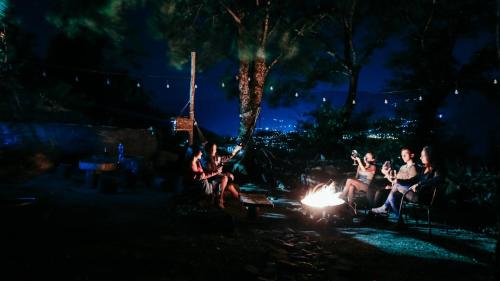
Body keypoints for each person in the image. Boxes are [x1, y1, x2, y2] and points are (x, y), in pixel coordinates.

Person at [371, 147, 420, 217]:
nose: (403, 157)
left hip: (407, 192)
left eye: (405, 155)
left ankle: (386, 210)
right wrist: (386, 174)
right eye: (402, 155)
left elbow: (411, 182)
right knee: (381, 192)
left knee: (389, 195)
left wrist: (395, 183)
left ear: (412, 155)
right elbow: (395, 181)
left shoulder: (414, 167)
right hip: (397, 188)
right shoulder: (402, 167)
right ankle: (380, 214)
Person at [203, 143, 241, 209]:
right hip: (211, 180)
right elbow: (212, 173)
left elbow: (229, 156)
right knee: (225, 178)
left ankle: (244, 204)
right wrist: (226, 174)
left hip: (220, 179)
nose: (213, 150)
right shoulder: (206, 160)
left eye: (214, 149)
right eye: (212, 149)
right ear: (208, 150)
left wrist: (237, 148)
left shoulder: (218, 158)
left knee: (231, 186)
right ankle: (221, 199)